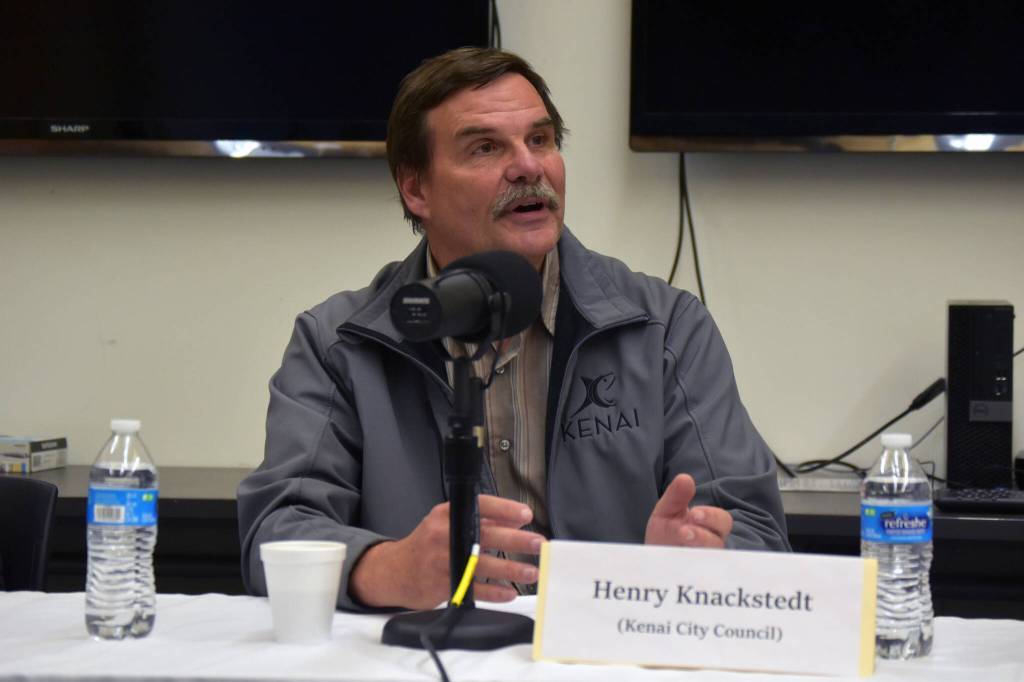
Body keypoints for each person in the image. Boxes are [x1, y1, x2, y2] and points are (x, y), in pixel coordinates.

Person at [238, 47, 789, 612]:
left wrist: (692, 562)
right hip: (427, 661)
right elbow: (276, 534)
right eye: (485, 148)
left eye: (542, 140)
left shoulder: (664, 327)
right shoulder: (340, 343)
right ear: (416, 189)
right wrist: (386, 568)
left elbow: (754, 528)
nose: (529, 167)